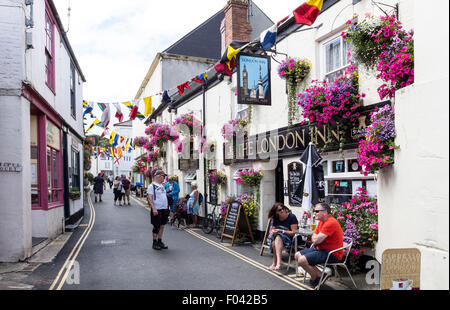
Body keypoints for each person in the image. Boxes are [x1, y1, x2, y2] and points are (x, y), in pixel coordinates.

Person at [295, 202, 344, 287]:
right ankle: (320, 275)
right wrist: (315, 238)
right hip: (321, 249)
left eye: (317, 211)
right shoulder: (322, 221)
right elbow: (315, 236)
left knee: (302, 260)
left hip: (332, 253)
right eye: (314, 211)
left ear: (325, 212)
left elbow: (316, 240)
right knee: (297, 255)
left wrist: (315, 238)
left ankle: (315, 277)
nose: (314, 213)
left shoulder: (330, 223)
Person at [267, 203, 298, 271]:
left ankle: (276, 263)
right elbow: (273, 229)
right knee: (275, 241)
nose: (282, 211)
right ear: (276, 212)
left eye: (283, 208)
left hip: (289, 238)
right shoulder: (276, 218)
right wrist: (272, 231)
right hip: (279, 238)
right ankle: (278, 262)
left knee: (277, 239)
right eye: (279, 210)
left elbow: (293, 232)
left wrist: (281, 231)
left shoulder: (292, 217)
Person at [147, 170, 169, 250]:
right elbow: (150, 198)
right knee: (156, 226)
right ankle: (154, 242)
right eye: (164, 176)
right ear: (159, 176)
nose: (164, 178)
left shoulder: (162, 185)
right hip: (157, 209)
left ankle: (160, 241)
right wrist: (154, 208)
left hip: (164, 208)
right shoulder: (152, 186)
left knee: (162, 226)